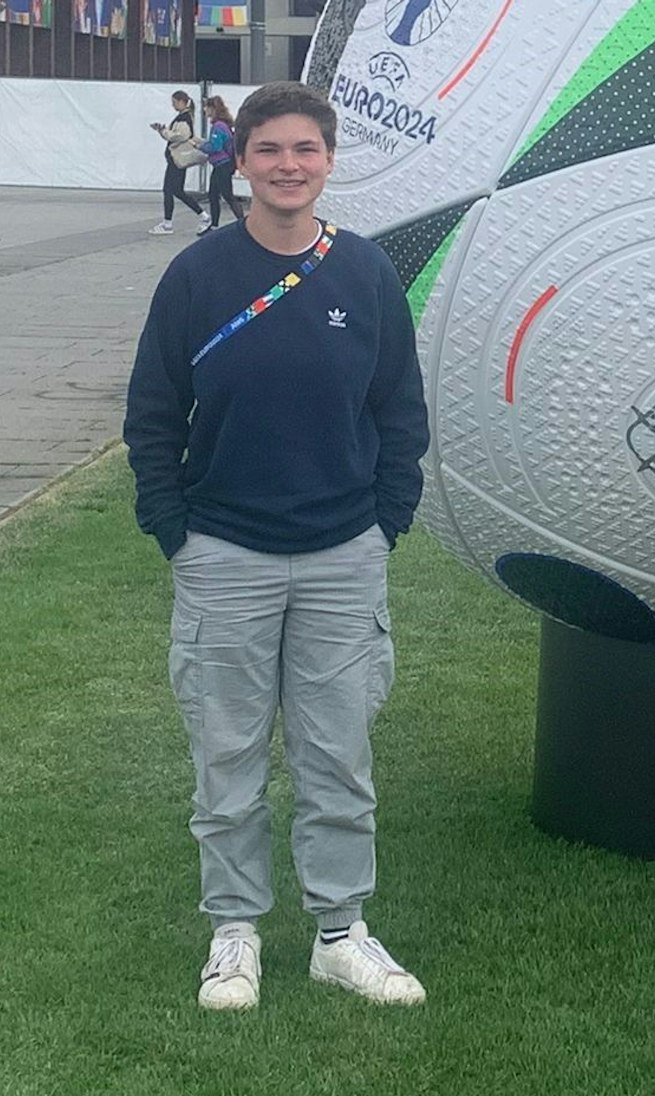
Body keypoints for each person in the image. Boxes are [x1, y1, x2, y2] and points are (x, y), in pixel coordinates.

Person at [123, 81, 431, 1012]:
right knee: (229, 755)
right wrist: (174, 529)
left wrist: (387, 520)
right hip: (225, 551)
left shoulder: (368, 274)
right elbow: (150, 414)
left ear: (329, 160)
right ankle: (235, 931)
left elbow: (400, 413)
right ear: (241, 160)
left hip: (344, 552)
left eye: (305, 149)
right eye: (269, 151)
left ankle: (340, 932)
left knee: (338, 756)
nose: (288, 166)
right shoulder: (198, 275)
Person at [149, 90, 207, 236]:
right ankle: (203, 215)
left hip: (176, 159)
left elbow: (180, 136)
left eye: (174, 102)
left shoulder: (183, 118)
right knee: (177, 191)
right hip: (177, 159)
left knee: (169, 190)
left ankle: (168, 223)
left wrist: (164, 132)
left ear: (182, 102)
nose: (173, 105)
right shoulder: (185, 117)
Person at [198, 95, 245, 234]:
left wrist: (199, 145)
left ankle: (242, 223)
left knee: (227, 195)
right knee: (213, 194)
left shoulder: (218, 126)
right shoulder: (224, 125)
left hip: (222, 165)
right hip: (222, 165)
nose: (204, 109)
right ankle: (214, 225)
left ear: (213, 109)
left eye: (206, 107)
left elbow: (215, 147)